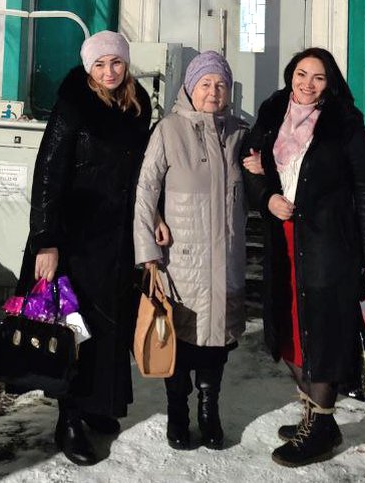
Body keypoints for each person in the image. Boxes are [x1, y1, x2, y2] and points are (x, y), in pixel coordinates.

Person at [14, 30, 156, 466]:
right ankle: (70, 418)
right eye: (100, 64)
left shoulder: (136, 106)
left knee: (109, 326)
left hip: (117, 238)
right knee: (73, 328)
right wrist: (46, 241)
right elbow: (48, 173)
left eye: (116, 63)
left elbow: (144, 173)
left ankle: (97, 404)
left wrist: (153, 219)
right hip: (74, 238)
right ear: (88, 67)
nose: (109, 71)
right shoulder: (73, 104)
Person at [240, 47, 365, 467]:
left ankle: (321, 423)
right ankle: (314, 414)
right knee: (289, 327)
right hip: (283, 241)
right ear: (291, 75)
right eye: (302, 74)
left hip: (328, 245)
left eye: (318, 77)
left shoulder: (346, 125)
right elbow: (250, 164)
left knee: (320, 332)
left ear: (330, 83)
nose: (307, 83)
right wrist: (267, 198)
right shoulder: (273, 113)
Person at [133, 51, 248, 450]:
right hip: (181, 262)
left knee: (217, 343)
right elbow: (146, 190)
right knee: (178, 341)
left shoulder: (239, 133)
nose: (213, 92)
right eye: (205, 84)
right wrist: (147, 249)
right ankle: (177, 413)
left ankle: (209, 411)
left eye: (220, 85)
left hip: (225, 259)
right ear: (189, 88)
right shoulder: (169, 130)